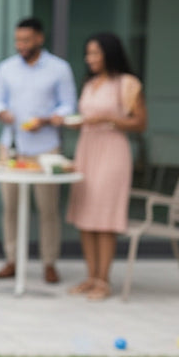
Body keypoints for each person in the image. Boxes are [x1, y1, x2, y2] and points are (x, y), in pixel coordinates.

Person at [0, 17, 77, 284]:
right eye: (18, 40)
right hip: (13, 146)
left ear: (40, 38)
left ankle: (49, 262)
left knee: (47, 208)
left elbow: (68, 105)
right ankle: (12, 259)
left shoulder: (59, 69)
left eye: (26, 40)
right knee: (11, 207)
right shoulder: (6, 68)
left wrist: (48, 119)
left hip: (46, 147)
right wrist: (1, 112)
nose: (21, 45)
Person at [65, 32, 147, 301]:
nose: (90, 59)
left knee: (104, 218)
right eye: (88, 53)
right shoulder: (89, 84)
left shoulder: (127, 83)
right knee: (85, 217)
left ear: (109, 54)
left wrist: (109, 118)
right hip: (87, 149)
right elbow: (86, 117)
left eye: (95, 53)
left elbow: (140, 123)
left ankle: (104, 280)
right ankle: (91, 277)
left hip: (112, 152)